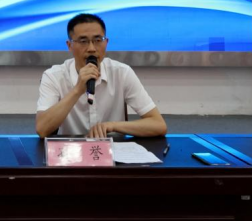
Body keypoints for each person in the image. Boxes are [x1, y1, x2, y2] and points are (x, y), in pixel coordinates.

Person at [36, 13, 167, 138]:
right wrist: (77, 90)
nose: (91, 48)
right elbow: (42, 129)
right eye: (83, 41)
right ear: (69, 45)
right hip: (71, 150)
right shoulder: (53, 76)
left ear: (106, 42)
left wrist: (112, 126)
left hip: (113, 149)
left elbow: (158, 125)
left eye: (98, 40)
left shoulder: (122, 72)